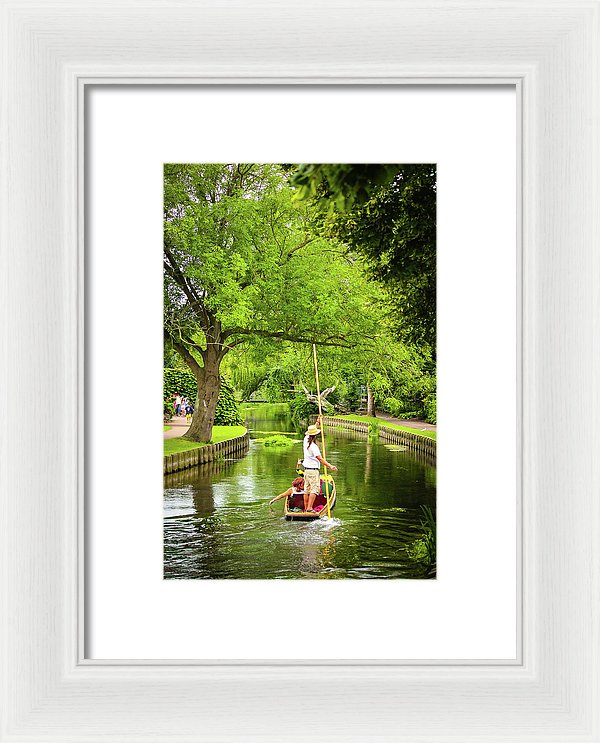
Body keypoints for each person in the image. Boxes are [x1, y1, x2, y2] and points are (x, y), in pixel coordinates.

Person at [302, 416, 337, 512]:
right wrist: (330, 466)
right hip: (313, 471)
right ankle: (309, 508)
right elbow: (320, 459)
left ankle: (306, 508)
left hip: (306, 470)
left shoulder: (305, 440)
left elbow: (313, 429)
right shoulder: (314, 447)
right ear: (316, 435)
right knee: (314, 490)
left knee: (307, 489)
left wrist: (318, 421)